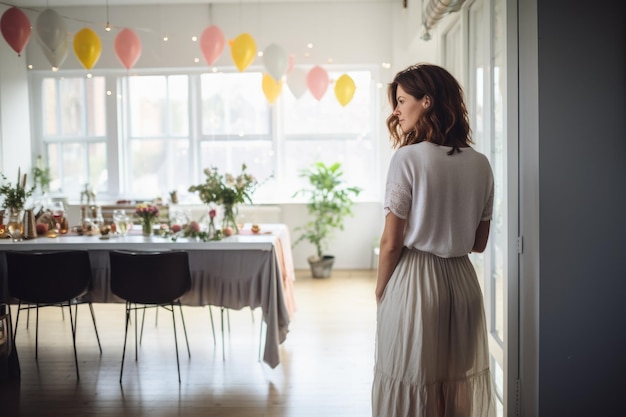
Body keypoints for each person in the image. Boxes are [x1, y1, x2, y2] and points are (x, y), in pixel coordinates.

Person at [372, 63, 495, 417]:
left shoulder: (407, 159)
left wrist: (382, 289)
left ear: (426, 101)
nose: (396, 111)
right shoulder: (481, 164)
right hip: (462, 282)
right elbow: (478, 243)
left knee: (411, 381)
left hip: (414, 283)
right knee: (457, 383)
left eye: (401, 100)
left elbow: (391, 243)